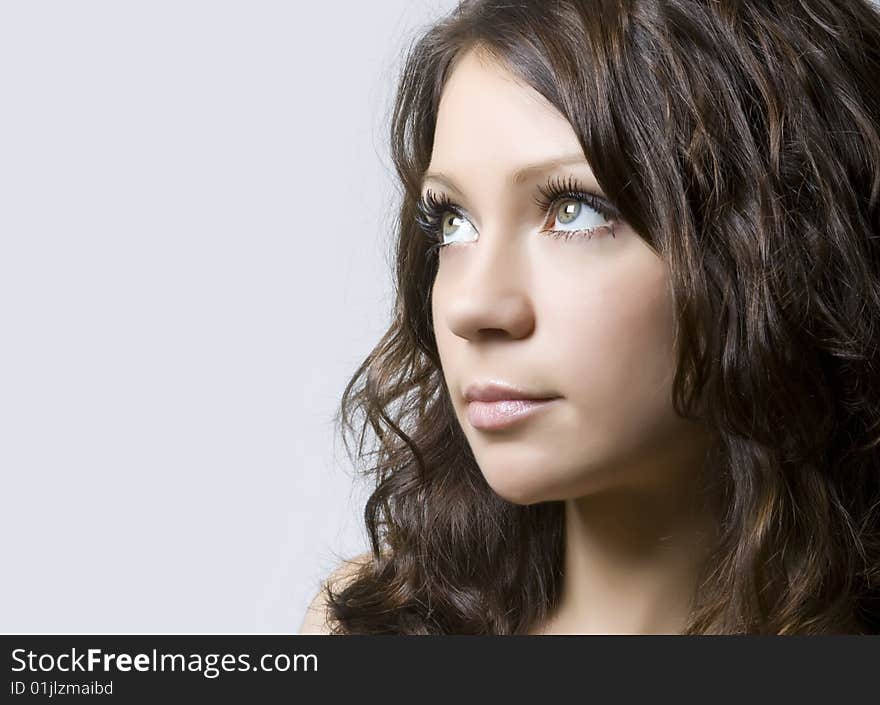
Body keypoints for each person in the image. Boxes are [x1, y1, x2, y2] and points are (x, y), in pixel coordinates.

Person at [300, 0, 880, 634]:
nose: (472, 308)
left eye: (575, 210)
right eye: (454, 221)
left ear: (778, 247)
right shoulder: (371, 627)